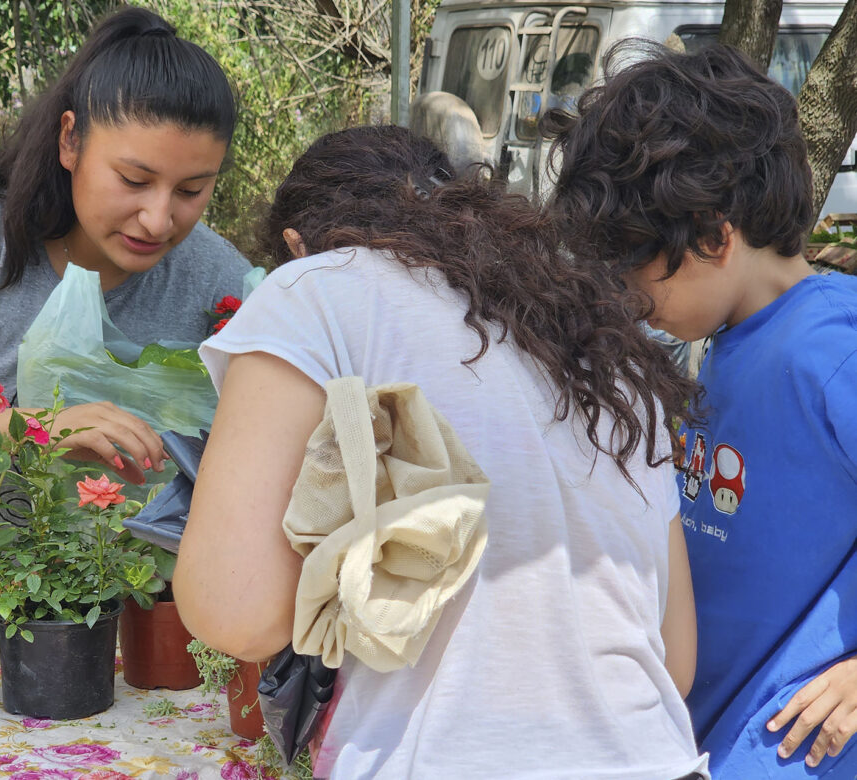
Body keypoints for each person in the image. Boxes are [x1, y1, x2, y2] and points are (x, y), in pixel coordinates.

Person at [173, 125, 709, 778]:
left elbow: (236, 612)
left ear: (297, 245)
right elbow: (674, 657)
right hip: (656, 759)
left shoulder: (310, 287)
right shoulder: (602, 342)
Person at [545, 41, 857, 777]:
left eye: (636, 279)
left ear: (716, 237)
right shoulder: (726, 336)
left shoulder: (831, 349)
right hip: (709, 730)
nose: (628, 303)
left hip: (792, 740)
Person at [0, 6, 252, 486]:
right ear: (70, 140)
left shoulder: (223, 284)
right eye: (133, 180)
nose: (157, 220)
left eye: (191, 191)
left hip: (153, 563)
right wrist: (37, 428)